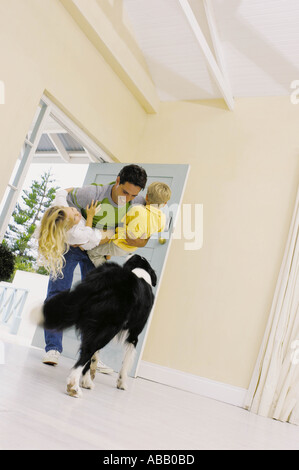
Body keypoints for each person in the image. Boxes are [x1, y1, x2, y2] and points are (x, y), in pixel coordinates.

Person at [41, 164, 147, 369]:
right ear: (117, 181)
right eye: (125, 191)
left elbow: (145, 235)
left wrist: (136, 240)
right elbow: (61, 208)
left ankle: (90, 356)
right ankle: (52, 348)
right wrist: (67, 234)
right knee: (58, 292)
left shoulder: (139, 203)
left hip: (95, 251)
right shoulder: (91, 193)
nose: (128, 198)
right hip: (71, 246)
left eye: (134, 195)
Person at [87, 182, 171, 266]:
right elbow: (157, 230)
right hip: (131, 248)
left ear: (146, 196)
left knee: (92, 252)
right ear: (164, 204)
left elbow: (122, 222)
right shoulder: (162, 219)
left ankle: (108, 274)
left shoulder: (137, 209)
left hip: (118, 243)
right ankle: (108, 254)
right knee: (106, 249)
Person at [37, 189, 112, 280]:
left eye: (73, 209)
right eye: (75, 218)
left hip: (81, 239)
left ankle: (95, 250)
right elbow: (88, 233)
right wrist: (90, 215)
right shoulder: (74, 234)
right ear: (68, 227)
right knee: (111, 234)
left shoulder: (62, 210)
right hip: (90, 239)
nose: (77, 213)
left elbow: (61, 193)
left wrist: (77, 188)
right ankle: (104, 251)